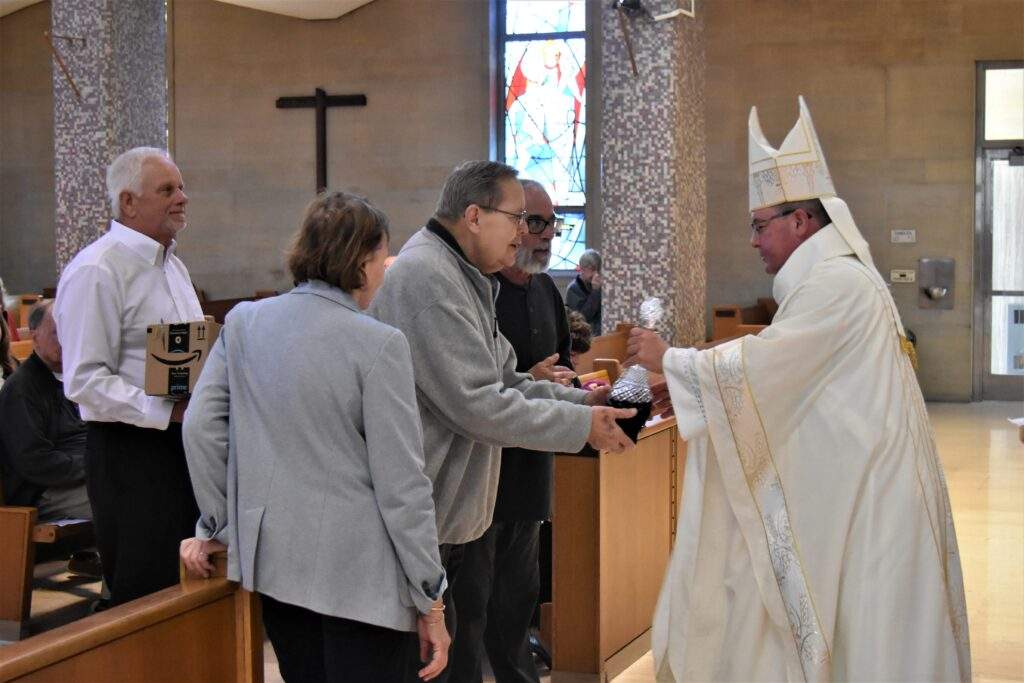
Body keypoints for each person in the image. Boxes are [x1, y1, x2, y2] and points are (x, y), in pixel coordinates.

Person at [627, 97, 970, 681]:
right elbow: (784, 368)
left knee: (869, 637)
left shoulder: (835, 283)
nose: (755, 241)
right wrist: (691, 383)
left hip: (871, 503)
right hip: (870, 485)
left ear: (802, 221)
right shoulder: (834, 281)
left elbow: (766, 367)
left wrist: (672, 360)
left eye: (761, 226)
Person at [370, 161, 635, 682]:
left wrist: (584, 405)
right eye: (516, 217)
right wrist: (582, 430)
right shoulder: (427, 278)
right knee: (443, 663)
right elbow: (477, 405)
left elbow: (506, 379)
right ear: (474, 215)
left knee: (472, 643)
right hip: (426, 511)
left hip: (456, 508)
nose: (522, 233)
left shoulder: (465, 277)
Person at [180, 192, 450, 683]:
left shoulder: (244, 322)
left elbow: (200, 429)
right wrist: (430, 596)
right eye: (381, 258)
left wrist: (220, 526)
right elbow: (403, 484)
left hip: (277, 566)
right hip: (361, 577)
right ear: (363, 262)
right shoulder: (379, 344)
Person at [54, 147, 203, 606]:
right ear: (128, 202)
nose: (182, 197)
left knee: (192, 582)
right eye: (167, 189)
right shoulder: (98, 270)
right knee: (146, 588)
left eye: (180, 186)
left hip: (182, 441)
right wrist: (165, 410)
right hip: (130, 453)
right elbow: (83, 380)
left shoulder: (172, 265)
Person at [448, 180, 575, 683]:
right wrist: (531, 378)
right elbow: (477, 382)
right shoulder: (483, 289)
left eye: (551, 224)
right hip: (483, 475)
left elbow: (563, 357)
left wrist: (564, 381)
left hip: (529, 473)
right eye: (536, 223)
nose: (545, 236)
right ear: (512, 224)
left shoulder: (546, 289)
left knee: (518, 601)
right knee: (472, 604)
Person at [0, 301, 89, 521]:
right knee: (120, 497)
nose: (64, 340)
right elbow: (33, 460)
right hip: (41, 491)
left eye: (69, 332)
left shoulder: (77, 378)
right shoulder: (21, 389)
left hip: (80, 477)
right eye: (56, 332)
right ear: (35, 336)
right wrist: (93, 465)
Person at [565, 248, 602, 335]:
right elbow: (583, 318)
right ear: (582, 268)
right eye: (592, 269)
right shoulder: (573, 289)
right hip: (581, 338)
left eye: (598, 269)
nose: (596, 274)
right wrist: (595, 291)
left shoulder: (597, 285)